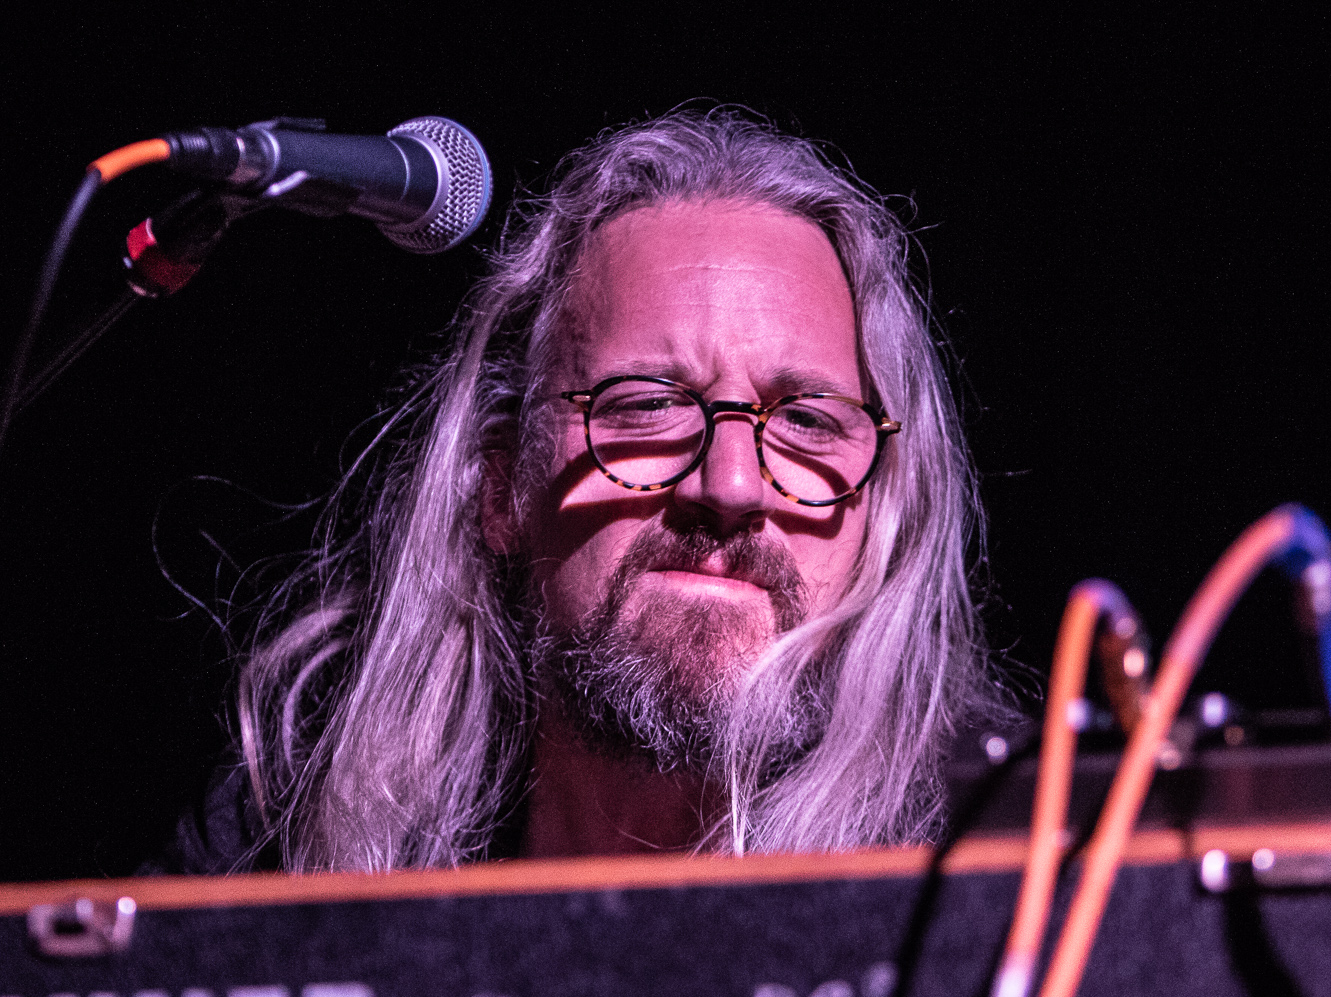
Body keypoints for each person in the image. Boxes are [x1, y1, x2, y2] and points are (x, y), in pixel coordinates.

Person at [163, 108, 1015, 873]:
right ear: (502, 487)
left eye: (807, 421)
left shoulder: (1009, 876)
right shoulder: (290, 822)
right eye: (648, 405)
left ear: (885, 506)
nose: (730, 485)